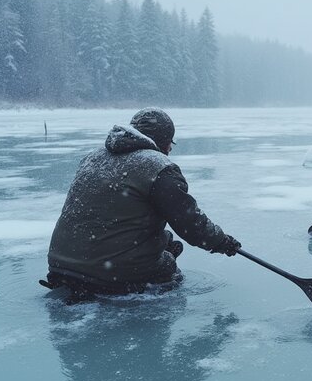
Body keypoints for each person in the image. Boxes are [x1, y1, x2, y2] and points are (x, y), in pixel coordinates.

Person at [41, 107, 241, 301]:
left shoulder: (92, 158)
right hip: (109, 277)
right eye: (171, 143)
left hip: (61, 266)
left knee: (167, 241)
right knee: (169, 267)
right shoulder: (159, 168)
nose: (170, 149)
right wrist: (222, 242)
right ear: (164, 141)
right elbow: (189, 223)